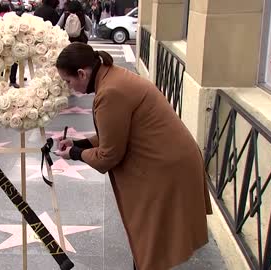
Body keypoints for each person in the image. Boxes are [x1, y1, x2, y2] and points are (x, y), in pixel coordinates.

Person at [54, 42, 213, 270]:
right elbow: (117, 134)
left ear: (82, 73)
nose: (70, 88)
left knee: (151, 241)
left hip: (167, 167)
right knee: (151, 242)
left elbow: (109, 156)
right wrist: (79, 143)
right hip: (170, 160)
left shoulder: (110, 92)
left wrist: (75, 153)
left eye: (68, 82)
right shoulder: (112, 76)